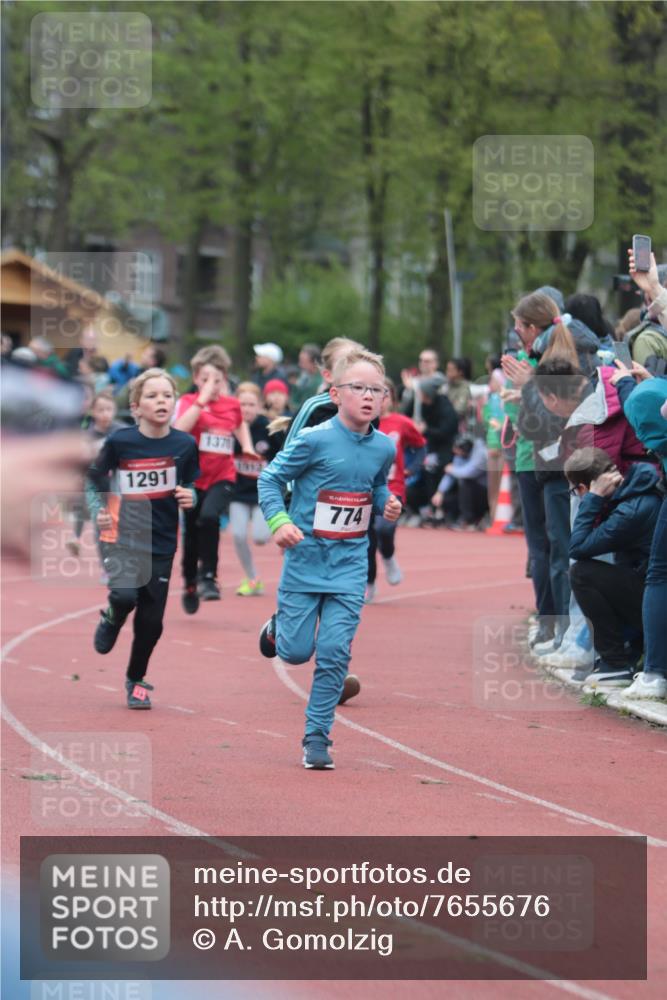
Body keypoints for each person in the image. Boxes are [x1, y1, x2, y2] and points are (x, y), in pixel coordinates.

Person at [257, 349, 401, 770]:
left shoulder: (383, 447)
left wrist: (386, 502)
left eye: (377, 389)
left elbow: (374, 486)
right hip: (305, 559)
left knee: (335, 651)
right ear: (335, 394)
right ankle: (279, 627)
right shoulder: (314, 439)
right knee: (297, 653)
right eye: (359, 388)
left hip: (350, 564)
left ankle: (317, 737)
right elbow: (270, 480)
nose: (369, 396)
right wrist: (280, 521)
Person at [87, 368, 199, 709]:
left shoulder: (184, 444)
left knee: (151, 621)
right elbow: (94, 477)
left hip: (162, 540)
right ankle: (112, 615)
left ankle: (136, 679)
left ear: (175, 403)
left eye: (166, 395)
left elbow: (192, 484)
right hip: (121, 534)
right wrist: (99, 508)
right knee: (123, 594)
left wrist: (190, 496)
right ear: (136, 407)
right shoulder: (121, 442)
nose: (160, 401)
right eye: (152, 396)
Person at [565, 447, 662, 688]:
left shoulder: (630, 512)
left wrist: (593, 499)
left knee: (582, 574)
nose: (578, 496)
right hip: (652, 589)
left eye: (576, 490)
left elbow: (577, 547)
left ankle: (616, 663)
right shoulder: (638, 488)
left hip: (659, 600)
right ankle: (629, 652)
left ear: (587, 486)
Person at [174, 346, 255, 609]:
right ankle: (189, 582)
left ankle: (209, 576)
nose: (212, 385)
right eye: (206, 379)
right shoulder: (188, 402)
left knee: (210, 517)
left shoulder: (231, 404)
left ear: (225, 379)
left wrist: (247, 447)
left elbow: (240, 423)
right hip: (193, 479)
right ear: (196, 378)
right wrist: (202, 400)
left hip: (223, 475)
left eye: (217, 380)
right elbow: (179, 430)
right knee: (191, 533)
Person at [365, 378, 425, 602]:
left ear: (391, 398)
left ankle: (388, 557)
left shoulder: (401, 423)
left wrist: (411, 468)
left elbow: (420, 446)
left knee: (384, 529)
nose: (381, 398)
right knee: (366, 539)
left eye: (385, 393)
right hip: (364, 488)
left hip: (393, 486)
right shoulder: (362, 422)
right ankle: (369, 584)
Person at [230, 382, 273, 596]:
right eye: (242, 404)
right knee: (237, 535)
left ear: (259, 405)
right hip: (237, 492)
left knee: (259, 537)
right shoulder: (230, 427)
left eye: (250, 404)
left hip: (262, 494)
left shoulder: (269, 429)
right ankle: (252, 578)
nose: (245, 409)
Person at [290, 344, 322, 410]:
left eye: (302, 362)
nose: (299, 364)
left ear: (314, 362)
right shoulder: (303, 377)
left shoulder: (322, 381)